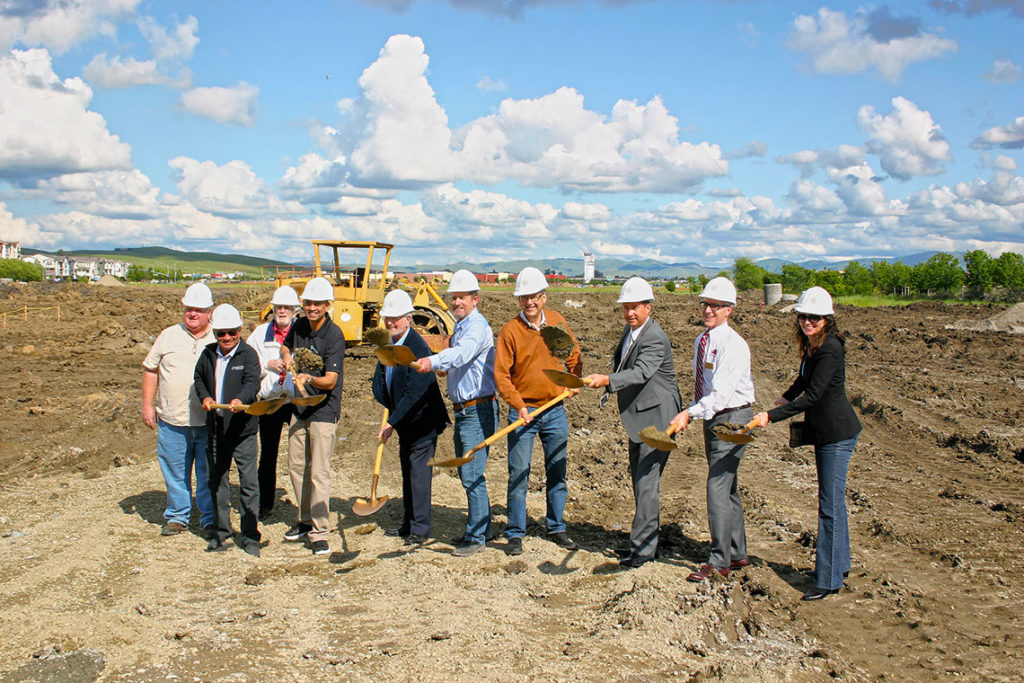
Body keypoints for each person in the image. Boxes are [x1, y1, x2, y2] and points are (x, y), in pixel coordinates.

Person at [751, 286, 861, 601]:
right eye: (803, 316)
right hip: (826, 432)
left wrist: (771, 416)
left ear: (827, 319)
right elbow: (803, 380)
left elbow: (812, 396)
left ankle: (827, 581)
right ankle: (838, 566)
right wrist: (784, 396)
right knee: (833, 502)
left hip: (836, 434)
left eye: (814, 317)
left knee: (829, 505)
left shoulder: (830, 349)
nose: (807, 322)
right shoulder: (813, 346)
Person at [584, 277, 681, 568]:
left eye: (635, 308)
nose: (629, 313)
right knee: (640, 481)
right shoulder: (632, 330)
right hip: (639, 417)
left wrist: (608, 380)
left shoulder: (653, 337)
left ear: (648, 307)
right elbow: (624, 362)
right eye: (626, 308)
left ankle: (642, 551)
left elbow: (641, 372)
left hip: (659, 419)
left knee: (646, 483)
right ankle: (646, 541)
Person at [670, 277, 756, 582]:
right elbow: (703, 388)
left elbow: (719, 395)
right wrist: (693, 414)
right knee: (727, 485)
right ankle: (737, 551)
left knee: (717, 485)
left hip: (733, 418)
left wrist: (689, 413)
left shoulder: (734, 346)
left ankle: (719, 561)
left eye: (716, 306)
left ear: (729, 310)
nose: (708, 310)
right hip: (714, 419)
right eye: (706, 304)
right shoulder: (701, 341)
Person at [494, 266, 582, 556]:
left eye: (534, 297)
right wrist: (518, 405)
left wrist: (575, 379)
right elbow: (502, 375)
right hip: (524, 413)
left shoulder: (556, 322)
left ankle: (556, 526)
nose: (529, 303)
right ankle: (516, 531)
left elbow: (573, 354)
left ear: (543, 297)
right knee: (518, 472)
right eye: (523, 298)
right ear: (518, 300)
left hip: (554, 409)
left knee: (557, 469)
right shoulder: (510, 331)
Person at [413, 269, 496, 557]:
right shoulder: (461, 325)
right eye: (454, 297)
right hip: (465, 410)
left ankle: (476, 538)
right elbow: (460, 360)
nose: (457, 302)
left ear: (476, 299)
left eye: (462, 297)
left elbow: (461, 354)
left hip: (477, 410)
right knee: (467, 471)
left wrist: (431, 361)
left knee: (471, 472)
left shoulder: (476, 327)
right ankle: (481, 527)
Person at [372, 290, 450, 546]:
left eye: (396, 318)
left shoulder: (417, 348)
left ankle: (420, 529)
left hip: (423, 420)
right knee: (408, 470)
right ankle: (408, 524)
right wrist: (386, 402)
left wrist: (392, 422)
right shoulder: (391, 344)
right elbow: (380, 379)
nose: (391, 322)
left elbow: (414, 392)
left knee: (418, 474)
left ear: (408, 319)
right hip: (405, 419)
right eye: (388, 318)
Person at [141, 282, 217, 538]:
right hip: (172, 421)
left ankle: (209, 518)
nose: (192, 314)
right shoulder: (168, 335)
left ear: (209, 312)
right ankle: (177, 516)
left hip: (207, 422)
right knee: (175, 472)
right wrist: (147, 405)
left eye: (198, 309)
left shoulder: (220, 337)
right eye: (188, 308)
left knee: (207, 474)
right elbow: (151, 370)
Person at [279, 277, 345, 556]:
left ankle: (320, 531)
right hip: (299, 407)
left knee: (318, 471)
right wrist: (285, 356)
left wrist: (309, 378)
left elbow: (330, 381)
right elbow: (286, 345)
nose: (312, 307)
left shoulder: (334, 335)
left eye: (318, 303)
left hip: (323, 410)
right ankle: (304, 521)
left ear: (328, 305)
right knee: (296, 467)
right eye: (308, 303)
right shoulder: (299, 326)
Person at [194, 304, 263, 557]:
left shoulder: (248, 355)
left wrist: (241, 400)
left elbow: (252, 381)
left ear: (239, 331)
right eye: (221, 333)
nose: (226, 338)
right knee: (218, 483)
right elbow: (199, 379)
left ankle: (250, 536)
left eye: (231, 333)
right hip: (216, 430)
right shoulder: (208, 354)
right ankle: (220, 533)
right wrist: (205, 397)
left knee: (248, 484)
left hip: (242, 431)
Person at [246, 285, 300, 520]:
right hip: (270, 402)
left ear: (295, 311)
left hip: (295, 401)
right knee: (268, 453)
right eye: (279, 307)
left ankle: (305, 507)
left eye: (287, 307)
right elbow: (246, 366)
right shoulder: (259, 335)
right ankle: (264, 503)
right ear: (273, 309)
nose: (283, 311)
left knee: (301, 455)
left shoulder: (302, 333)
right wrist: (267, 365)